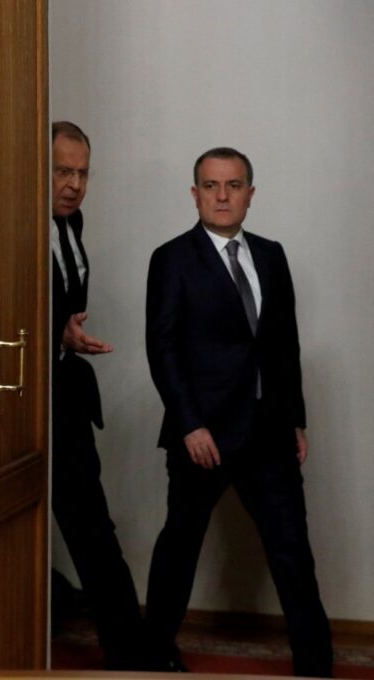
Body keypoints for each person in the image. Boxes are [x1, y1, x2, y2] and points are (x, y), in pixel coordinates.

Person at [144, 147, 332, 677]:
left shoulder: (272, 255)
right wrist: (189, 424)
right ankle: (153, 655)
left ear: (251, 193)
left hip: (268, 432)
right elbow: (163, 349)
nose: (222, 195)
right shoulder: (172, 258)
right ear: (195, 194)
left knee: (293, 553)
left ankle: (316, 666)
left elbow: (284, 345)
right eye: (210, 185)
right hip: (202, 435)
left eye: (233, 185)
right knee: (179, 548)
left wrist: (295, 418)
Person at [49, 121, 146, 670]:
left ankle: (127, 648)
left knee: (91, 523)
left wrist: (68, 333)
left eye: (83, 173)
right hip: (19, 395)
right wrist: (52, 331)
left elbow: (63, 298)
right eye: (63, 171)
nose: (75, 184)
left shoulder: (73, 222)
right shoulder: (12, 223)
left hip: (66, 393)